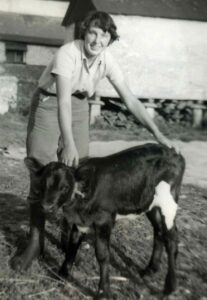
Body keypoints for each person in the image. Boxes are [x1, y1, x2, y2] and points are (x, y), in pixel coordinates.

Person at [11, 11, 176, 270]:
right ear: (84, 33)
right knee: (42, 171)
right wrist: (68, 141)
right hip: (50, 102)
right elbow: (62, 99)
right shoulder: (68, 53)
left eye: (104, 36)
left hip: (79, 106)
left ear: (110, 40)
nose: (97, 41)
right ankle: (35, 241)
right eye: (93, 33)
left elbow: (130, 100)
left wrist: (157, 132)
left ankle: (71, 230)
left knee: (79, 171)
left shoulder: (107, 60)